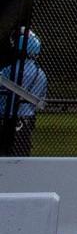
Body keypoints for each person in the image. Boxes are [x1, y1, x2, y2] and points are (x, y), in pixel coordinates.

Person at [3, 27, 49, 156]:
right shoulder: (41, 74)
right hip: (26, 119)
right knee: (21, 156)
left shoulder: (9, 70)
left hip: (5, 117)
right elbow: (40, 100)